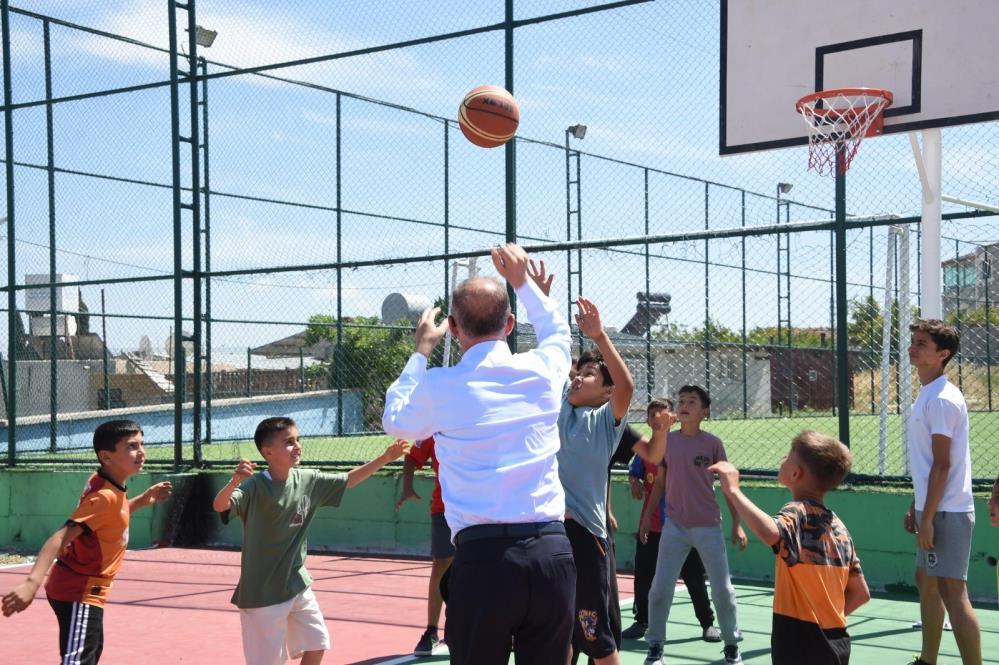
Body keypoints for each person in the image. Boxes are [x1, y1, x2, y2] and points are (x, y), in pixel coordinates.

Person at [382, 243, 576, 665]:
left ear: (452, 327)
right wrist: (525, 284)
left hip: (484, 560)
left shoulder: (439, 386)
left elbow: (395, 419)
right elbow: (559, 333)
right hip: (551, 555)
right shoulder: (542, 371)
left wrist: (420, 352)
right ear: (509, 324)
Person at [213, 416, 408, 665]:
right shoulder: (254, 488)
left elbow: (348, 480)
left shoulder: (308, 479)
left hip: (297, 585)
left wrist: (385, 458)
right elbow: (220, 505)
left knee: (317, 643)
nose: (297, 446)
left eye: (298, 440)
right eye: (288, 442)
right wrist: (235, 481)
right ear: (268, 452)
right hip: (262, 594)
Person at [1, 420, 172, 665]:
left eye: (142, 444)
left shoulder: (105, 482)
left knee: (87, 655)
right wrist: (31, 583)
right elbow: (59, 537)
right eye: (131, 446)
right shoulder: (105, 497)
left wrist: (143, 501)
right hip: (79, 590)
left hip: (80, 587)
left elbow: (108, 519)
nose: (141, 452)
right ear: (106, 456)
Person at [710, 430, 871, 664]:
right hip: (837, 643)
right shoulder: (840, 527)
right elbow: (861, 593)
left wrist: (733, 491)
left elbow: (770, 532)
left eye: (787, 456)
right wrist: (824, 620)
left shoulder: (797, 512)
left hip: (799, 646)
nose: (781, 459)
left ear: (795, 473)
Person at [556, 296, 643, 665]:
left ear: (605, 392)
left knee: (597, 638)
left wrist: (600, 336)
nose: (578, 378)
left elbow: (626, 386)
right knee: (557, 630)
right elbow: (556, 360)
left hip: (585, 537)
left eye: (589, 376)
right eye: (577, 373)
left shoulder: (605, 424)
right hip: (548, 533)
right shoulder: (560, 406)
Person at [641, 385, 747, 665]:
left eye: (692, 401)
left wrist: (737, 524)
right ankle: (655, 647)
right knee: (660, 589)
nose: (684, 404)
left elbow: (728, 487)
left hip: (708, 526)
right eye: (681, 400)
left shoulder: (713, 444)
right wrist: (645, 517)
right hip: (674, 527)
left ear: (705, 412)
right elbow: (660, 483)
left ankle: (732, 646)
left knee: (723, 590)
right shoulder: (668, 442)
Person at [903, 319, 981, 665]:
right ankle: (927, 660)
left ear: (943, 354)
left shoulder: (944, 400)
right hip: (933, 507)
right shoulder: (928, 393)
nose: (913, 348)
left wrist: (929, 517)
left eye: (922, 344)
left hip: (948, 511)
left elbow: (942, 465)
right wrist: (916, 506)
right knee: (927, 581)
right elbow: (926, 464)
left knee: (952, 590)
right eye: (914, 342)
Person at [623, 399, 720, 643]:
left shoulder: (681, 446)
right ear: (647, 420)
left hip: (682, 525)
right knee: (643, 574)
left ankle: (707, 623)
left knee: (694, 577)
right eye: (651, 414)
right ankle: (642, 620)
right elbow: (635, 472)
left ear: (673, 417)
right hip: (652, 525)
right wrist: (634, 482)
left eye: (661, 412)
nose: (656, 417)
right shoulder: (646, 449)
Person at [395, 436, 452, 656]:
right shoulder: (432, 427)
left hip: (480, 510)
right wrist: (407, 487)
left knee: (483, 567)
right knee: (441, 565)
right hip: (444, 509)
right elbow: (411, 458)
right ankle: (431, 631)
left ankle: (491, 626)